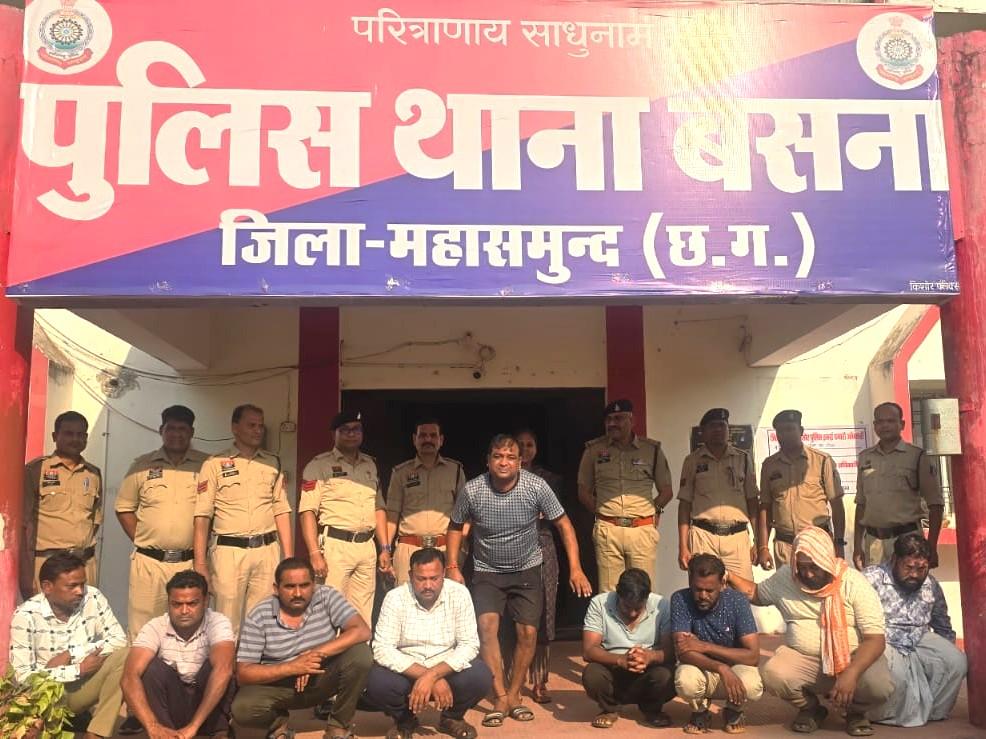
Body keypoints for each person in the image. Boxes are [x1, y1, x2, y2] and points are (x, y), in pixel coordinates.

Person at [446, 433, 592, 727]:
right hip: (487, 569)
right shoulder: (473, 490)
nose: (504, 462)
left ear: (520, 462)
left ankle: (514, 695)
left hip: (527, 569)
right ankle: (499, 696)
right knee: (487, 627)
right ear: (488, 461)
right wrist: (452, 566)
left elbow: (564, 525)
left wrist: (576, 568)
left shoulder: (536, 487)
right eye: (498, 456)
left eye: (511, 457)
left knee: (527, 632)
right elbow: (455, 526)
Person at [727, 526, 893, 736]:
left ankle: (855, 712)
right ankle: (812, 709)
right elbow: (756, 593)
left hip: (852, 660)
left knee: (880, 685)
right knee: (773, 673)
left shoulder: (854, 583)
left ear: (826, 559)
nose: (807, 573)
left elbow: (875, 640)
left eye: (814, 566)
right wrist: (728, 575)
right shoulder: (788, 577)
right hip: (806, 660)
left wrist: (851, 673)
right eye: (802, 566)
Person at [231, 557, 373, 739]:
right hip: (280, 687)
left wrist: (315, 654)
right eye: (290, 587)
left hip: (321, 678)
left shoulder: (327, 596)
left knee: (361, 654)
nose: (298, 593)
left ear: (314, 585)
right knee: (243, 708)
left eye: (304, 585)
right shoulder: (259, 615)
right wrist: (292, 667)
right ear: (276, 589)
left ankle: (338, 726)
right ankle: (278, 724)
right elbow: (243, 673)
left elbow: (362, 630)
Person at [367, 547, 492, 739]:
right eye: (421, 579)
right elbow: (382, 648)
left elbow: (469, 644)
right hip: (407, 669)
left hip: (447, 667)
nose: (428, 585)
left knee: (480, 676)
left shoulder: (459, 594)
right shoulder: (395, 598)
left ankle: (452, 718)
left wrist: (434, 674)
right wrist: (427, 676)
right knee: (377, 682)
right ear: (410, 575)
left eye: (434, 578)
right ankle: (405, 721)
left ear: (444, 574)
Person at [193, 404, 293, 635]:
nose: (258, 431)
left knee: (262, 620)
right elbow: (202, 516)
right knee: (226, 622)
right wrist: (200, 563)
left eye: (261, 426)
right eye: (251, 425)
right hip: (229, 552)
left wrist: (288, 557)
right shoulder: (214, 464)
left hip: (266, 551)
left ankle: (254, 659)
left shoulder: (272, 463)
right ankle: (227, 660)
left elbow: (281, 509)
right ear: (235, 428)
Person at [9, 552, 129, 739]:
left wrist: (72, 654)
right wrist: (77, 670)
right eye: (72, 586)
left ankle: (97, 733)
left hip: (79, 690)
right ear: (47, 587)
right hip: (43, 697)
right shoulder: (26, 616)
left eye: (82, 584)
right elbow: (23, 676)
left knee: (125, 655)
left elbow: (119, 639)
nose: (80, 591)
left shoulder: (93, 597)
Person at [116, 405, 209, 641]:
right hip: (149, 564)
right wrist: (144, 539)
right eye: (171, 428)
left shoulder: (207, 466)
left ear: (191, 432)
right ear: (161, 430)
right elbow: (124, 508)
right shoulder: (142, 465)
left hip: (190, 562)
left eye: (182, 429)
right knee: (143, 628)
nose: (177, 434)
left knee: (189, 627)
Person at [863, 532, 966, 727]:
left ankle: (933, 712)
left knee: (956, 661)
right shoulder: (871, 579)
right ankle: (883, 715)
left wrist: (946, 651)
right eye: (908, 567)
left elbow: (942, 623)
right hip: (884, 638)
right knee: (898, 676)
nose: (915, 575)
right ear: (895, 559)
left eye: (921, 569)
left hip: (919, 636)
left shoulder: (931, 584)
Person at [299, 410, 389, 627]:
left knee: (362, 612)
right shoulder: (318, 465)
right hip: (335, 546)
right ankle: (330, 650)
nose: (351, 434)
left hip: (366, 547)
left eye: (356, 429)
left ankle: (359, 650)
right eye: (345, 430)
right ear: (334, 434)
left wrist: (385, 548)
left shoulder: (370, 465)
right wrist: (314, 553)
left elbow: (378, 508)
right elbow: (307, 512)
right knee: (329, 610)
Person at [121, 570, 235, 739]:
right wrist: (152, 726)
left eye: (192, 604)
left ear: (205, 602)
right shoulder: (155, 626)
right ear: (168, 603)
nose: (184, 611)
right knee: (149, 669)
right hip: (173, 705)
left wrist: (193, 726)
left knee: (221, 666)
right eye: (176, 604)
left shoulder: (217, 622)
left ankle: (218, 731)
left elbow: (223, 670)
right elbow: (129, 677)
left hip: (207, 706)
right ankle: (165, 734)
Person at [578, 399, 673, 593]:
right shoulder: (594, 450)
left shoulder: (652, 450)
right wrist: (603, 513)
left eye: (619, 418)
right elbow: (583, 491)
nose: (612, 423)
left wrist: (653, 512)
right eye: (609, 419)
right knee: (609, 593)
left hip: (641, 530)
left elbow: (666, 491)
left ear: (632, 420)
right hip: (608, 530)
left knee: (643, 591)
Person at [671, 554, 763, 734]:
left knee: (752, 685)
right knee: (685, 680)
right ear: (690, 581)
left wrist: (705, 647)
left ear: (722, 584)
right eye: (697, 589)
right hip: (702, 667)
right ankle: (700, 711)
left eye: (710, 590)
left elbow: (753, 656)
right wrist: (721, 667)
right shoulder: (680, 599)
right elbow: (683, 652)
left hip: (734, 667)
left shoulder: (738, 601)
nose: (702, 596)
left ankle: (734, 709)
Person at [20, 410, 103, 599]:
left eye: (80, 434)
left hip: (84, 566)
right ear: (54, 436)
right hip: (49, 566)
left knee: (85, 616)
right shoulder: (36, 471)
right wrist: (25, 574)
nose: (75, 439)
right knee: (46, 616)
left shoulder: (93, 474)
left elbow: (95, 521)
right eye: (68, 433)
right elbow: (21, 527)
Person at [581, 568, 675, 730]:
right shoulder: (599, 603)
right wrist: (620, 660)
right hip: (612, 669)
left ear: (647, 597)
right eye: (626, 606)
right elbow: (589, 650)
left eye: (638, 608)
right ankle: (609, 709)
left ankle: (652, 710)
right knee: (592, 674)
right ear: (617, 594)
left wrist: (649, 657)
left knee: (669, 675)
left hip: (648, 671)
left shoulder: (663, 606)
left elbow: (671, 651)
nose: (632, 613)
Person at [853, 402, 944, 569]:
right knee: (874, 586)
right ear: (874, 425)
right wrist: (857, 546)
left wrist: (931, 546)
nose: (885, 425)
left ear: (902, 424)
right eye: (880, 421)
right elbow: (861, 504)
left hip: (908, 541)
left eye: (890, 421)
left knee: (908, 585)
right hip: (874, 543)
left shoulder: (917, 457)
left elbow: (936, 505)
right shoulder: (865, 458)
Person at [678, 408, 762, 581]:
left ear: (728, 430)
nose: (718, 430)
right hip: (704, 537)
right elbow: (685, 504)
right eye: (713, 426)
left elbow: (752, 501)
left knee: (742, 591)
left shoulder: (743, 459)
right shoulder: (692, 461)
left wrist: (759, 542)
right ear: (703, 432)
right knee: (704, 590)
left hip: (737, 538)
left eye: (722, 425)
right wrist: (683, 546)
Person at [759, 409, 846, 567]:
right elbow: (766, 507)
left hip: (817, 544)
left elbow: (836, 504)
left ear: (801, 431)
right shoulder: (769, 465)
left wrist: (839, 542)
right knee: (785, 584)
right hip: (785, 545)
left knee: (819, 583)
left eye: (790, 429)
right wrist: (763, 547)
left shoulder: (822, 460)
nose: (785, 434)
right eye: (780, 431)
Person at [385, 418, 465, 586]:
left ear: (441, 440)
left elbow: (465, 513)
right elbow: (392, 514)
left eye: (433, 435)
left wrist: (460, 547)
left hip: (445, 550)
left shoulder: (455, 471)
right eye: (422, 436)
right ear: (414, 439)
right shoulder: (401, 473)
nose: (428, 439)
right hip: (409, 549)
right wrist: (386, 549)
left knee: (448, 599)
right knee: (406, 599)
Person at [517, 428, 560, 704]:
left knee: (545, 614)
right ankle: (514, 678)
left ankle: (540, 680)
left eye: (529, 444)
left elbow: (552, 516)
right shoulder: (498, 478)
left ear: (536, 448)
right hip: (509, 549)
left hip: (542, 545)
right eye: (519, 444)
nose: (524, 450)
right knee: (514, 615)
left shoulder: (549, 480)